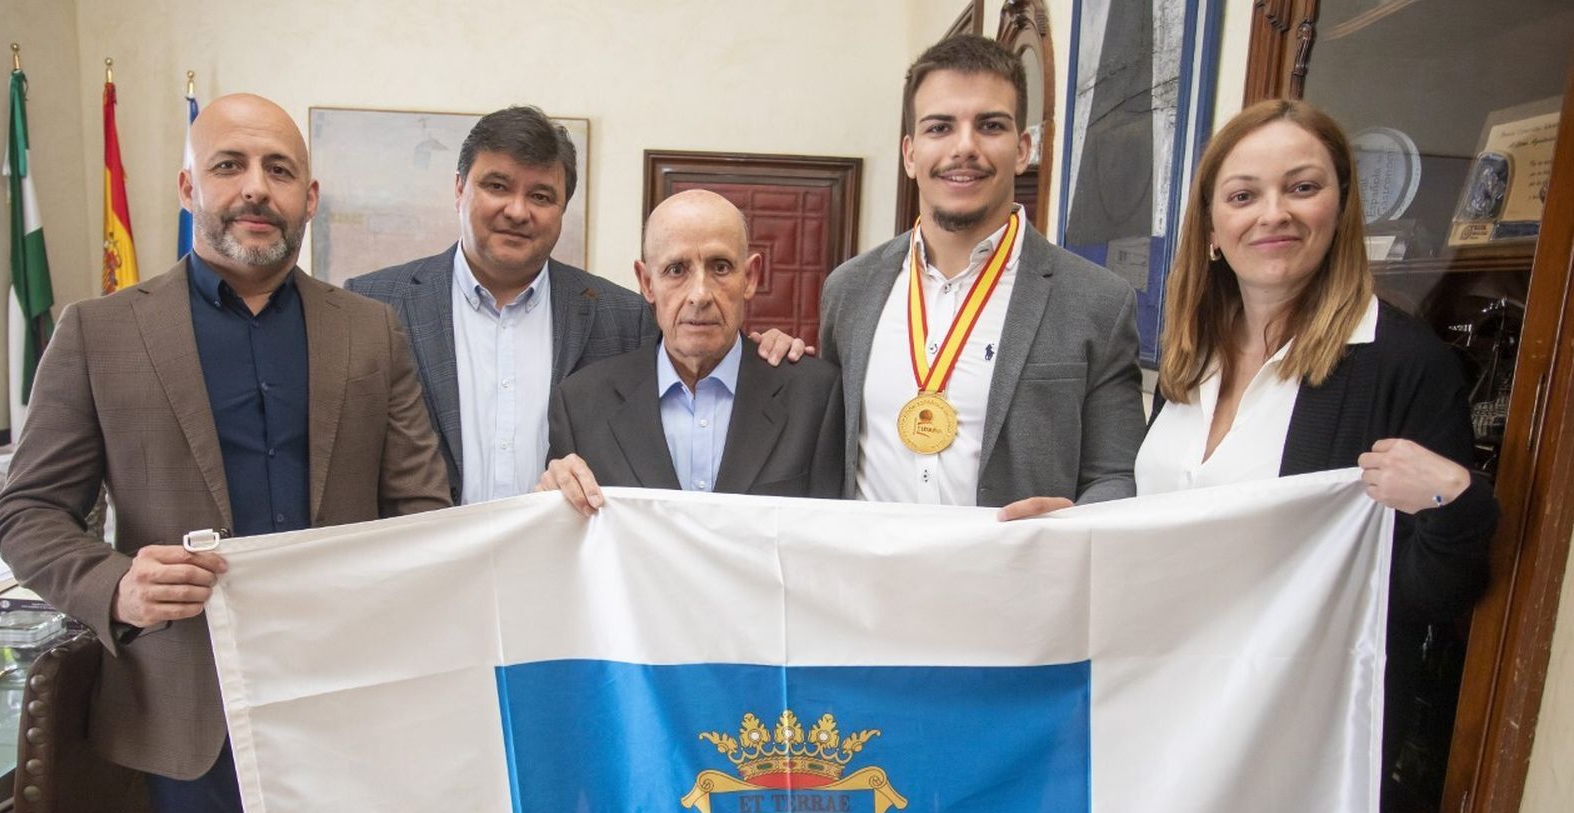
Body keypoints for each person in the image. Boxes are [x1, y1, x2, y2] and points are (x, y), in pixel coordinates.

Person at [0, 94, 451, 813]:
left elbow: (424, 510)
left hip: (347, 699)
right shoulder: (98, 331)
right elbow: (27, 514)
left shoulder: (371, 333)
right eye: (233, 165)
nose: (257, 188)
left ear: (309, 195)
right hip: (191, 711)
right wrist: (112, 582)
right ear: (188, 183)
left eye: (279, 170)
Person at [1136, 98, 1498, 773]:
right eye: (1244, 195)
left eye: (1302, 187)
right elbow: (1163, 528)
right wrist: (1073, 528)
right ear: (1212, 228)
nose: (1274, 213)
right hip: (1166, 710)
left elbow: (1431, 598)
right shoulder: (1190, 357)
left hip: (1293, 743)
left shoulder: (1403, 365)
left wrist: (1458, 501)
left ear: (1340, 208)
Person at [347, 106, 807, 504]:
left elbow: (695, 360)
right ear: (459, 188)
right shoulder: (375, 306)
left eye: (541, 196)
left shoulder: (622, 315)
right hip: (426, 576)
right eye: (497, 186)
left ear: (563, 208)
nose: (518, 210)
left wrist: (765, 351)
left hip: (566, 579)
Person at [819, 34, 1146, 519]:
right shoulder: (848, 290)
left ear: (1023, 148)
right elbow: (823, 442)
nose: (964, 147)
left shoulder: (1098, 301)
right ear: (910, 154)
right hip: (871, 585)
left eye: (990, 125)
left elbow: (1118, 475)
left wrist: (1073, 522)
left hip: (1015, 582)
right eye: (940, 127)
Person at [537, 190, 843, 513]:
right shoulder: (581, 405)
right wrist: (550, 500)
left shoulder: (814, 398)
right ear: (647, 282)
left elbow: (827, 546)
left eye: (721, 267)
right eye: (676, 270)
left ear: (750, 277)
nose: (699, 295)